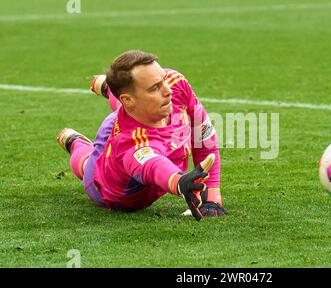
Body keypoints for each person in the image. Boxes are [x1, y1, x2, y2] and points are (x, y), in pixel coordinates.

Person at [57, 50, 227, 220]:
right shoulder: (132, 144)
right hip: (106, 179)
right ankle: (75, 142)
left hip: (134, 112)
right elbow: (154, 166)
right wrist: (180, 183)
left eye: (163, 79)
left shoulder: (175, 83)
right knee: (88, 165)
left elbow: (204, 136)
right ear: (128, 101)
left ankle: (109, 87)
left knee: (136, 100)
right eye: (155, 87)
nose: (168, 90)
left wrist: (212, 198)